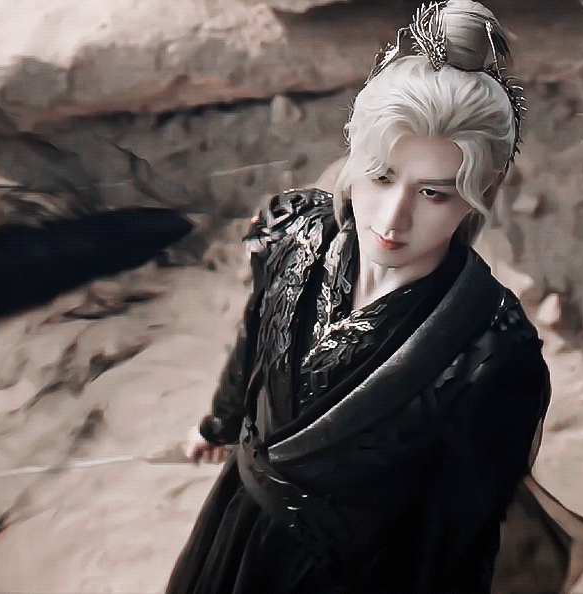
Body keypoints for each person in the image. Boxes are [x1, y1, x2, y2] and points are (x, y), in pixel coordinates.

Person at [169, 2, 552, 592]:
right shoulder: (294, 232)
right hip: (241, 522)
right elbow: (255, 341)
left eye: (434, 194)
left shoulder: (493, 353)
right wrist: (220, 425)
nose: (393, 219)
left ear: (480, 193)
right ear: (353, 156)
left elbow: (458, 540)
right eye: (380, 176)